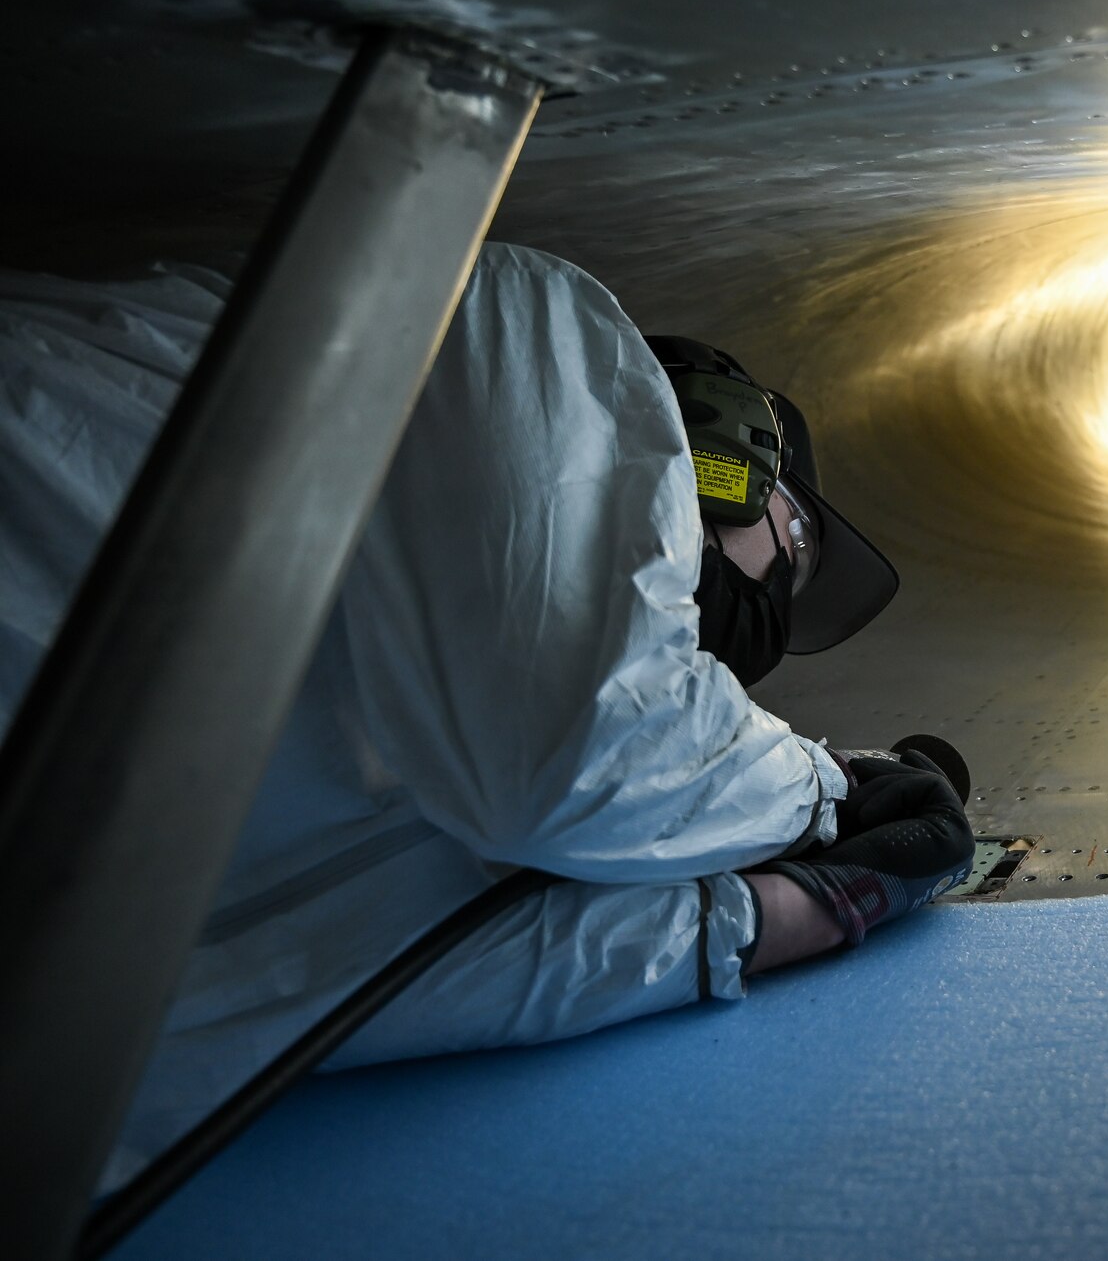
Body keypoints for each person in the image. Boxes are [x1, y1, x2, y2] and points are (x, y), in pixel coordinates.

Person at [0, 244, 974, 1193]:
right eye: (794, 549)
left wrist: (767, 914)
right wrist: (820, 787)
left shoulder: (441, 755)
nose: (767, 628)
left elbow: (320, 986)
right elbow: (578, 759)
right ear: (726, 452)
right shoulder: (529, 329)